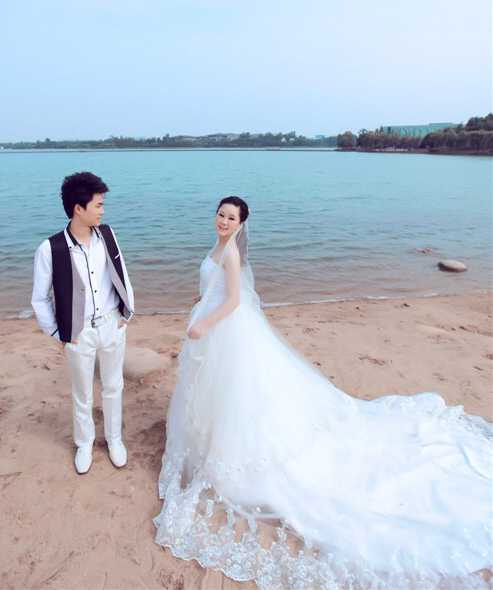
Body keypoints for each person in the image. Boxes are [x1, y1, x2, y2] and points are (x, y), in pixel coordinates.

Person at [154, 196, 492, 590]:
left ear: (242, 223)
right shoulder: (219, 247)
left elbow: (234, 300)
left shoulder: (230, 252)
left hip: (222, 328)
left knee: (234, 390)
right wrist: (203, 298)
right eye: (221, 214)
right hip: (214, 321)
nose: (224, 221)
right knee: (217, 388)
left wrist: (204, 323)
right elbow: (217, 288)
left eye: (231, 217)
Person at [31, 172, 134, 474]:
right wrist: (59, 332)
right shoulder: (50, 249)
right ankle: (85, 442)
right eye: (98, 205)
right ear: (79, 208)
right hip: (79, 332)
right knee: (83, 393)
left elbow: (122, 274)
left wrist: (127, 313)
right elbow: (39, 298)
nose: (103, 210)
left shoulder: (108, 235)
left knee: (114, 386)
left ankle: (114, 439)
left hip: (113, 324)